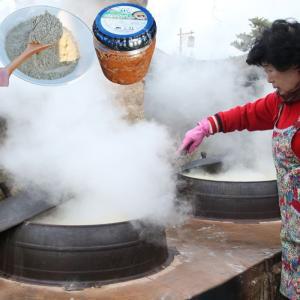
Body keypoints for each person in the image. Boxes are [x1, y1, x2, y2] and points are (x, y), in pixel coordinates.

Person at [179, 19, 300, 300]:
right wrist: (207, 126)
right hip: (294, 241)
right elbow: (247, 114)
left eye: (271, 69)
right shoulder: (283, 102)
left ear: (295, 66)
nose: (268, 78)